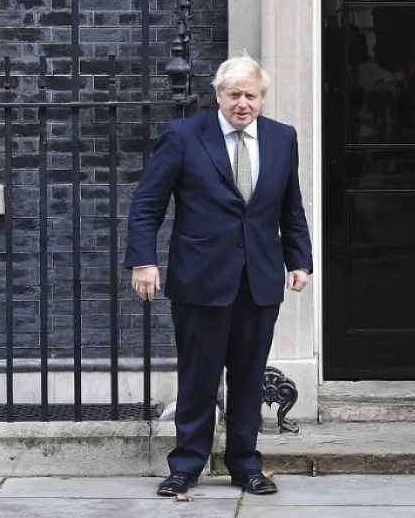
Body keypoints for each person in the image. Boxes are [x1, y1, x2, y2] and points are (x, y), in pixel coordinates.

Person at [125, 52, 312, 498]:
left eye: (250, 94)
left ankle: (245, 464)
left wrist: (299, 259)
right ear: (218, 96)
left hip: (259, 279)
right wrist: (143, 261)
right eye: (234, 94)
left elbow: (291, 207)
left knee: (249, 378)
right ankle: (186, 465)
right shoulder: (184, 136)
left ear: (262, 98)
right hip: (201, 279)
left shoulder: (282, 138)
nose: (242, 102)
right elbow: (147, 203)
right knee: (199, 376)